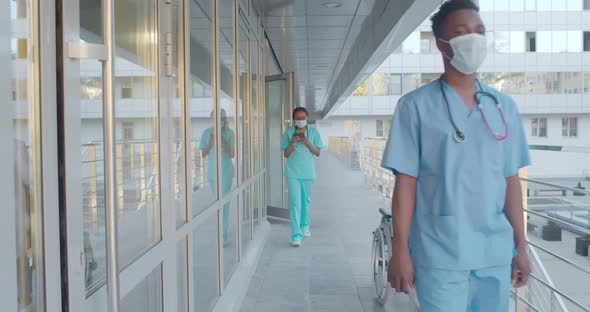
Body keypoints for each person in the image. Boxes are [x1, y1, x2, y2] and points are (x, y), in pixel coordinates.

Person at [381, 1, 531, 311]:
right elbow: (405, 183)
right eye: (462, 33)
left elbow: (511, 181)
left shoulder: (502, 107)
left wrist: (521, 247)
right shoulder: (415, 106)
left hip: (495, 253)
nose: (473, 39)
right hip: (440, 253)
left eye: (480, 32)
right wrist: (400, 250)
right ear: (441, 43)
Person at [281, 107, 325, 247]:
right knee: (295, 203)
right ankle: (296, 235)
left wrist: (306, 141)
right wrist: (292, 141)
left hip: (307, 173)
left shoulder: (313, 132)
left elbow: (317, 152)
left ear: (307, 118)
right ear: (294, 119)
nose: (300, 120)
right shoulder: (288, 132)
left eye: (303, 118)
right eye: (298, 118)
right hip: (292, 173)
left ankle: (305, 225)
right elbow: (286, 154)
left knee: (305, 201)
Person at [200, 109, 235, 243]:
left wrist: (223, 141)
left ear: (224, 119)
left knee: (224, 203)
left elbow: (232, 154)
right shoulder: (206, 133)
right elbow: (203, 154)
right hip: (212, 173)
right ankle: (222, 230)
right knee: (218, 202)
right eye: (215, 117)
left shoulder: (229, 133)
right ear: (211, 118)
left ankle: (223, 235)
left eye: (221, 118)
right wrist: (211, 143)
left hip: (225, 172)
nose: (218, 120)